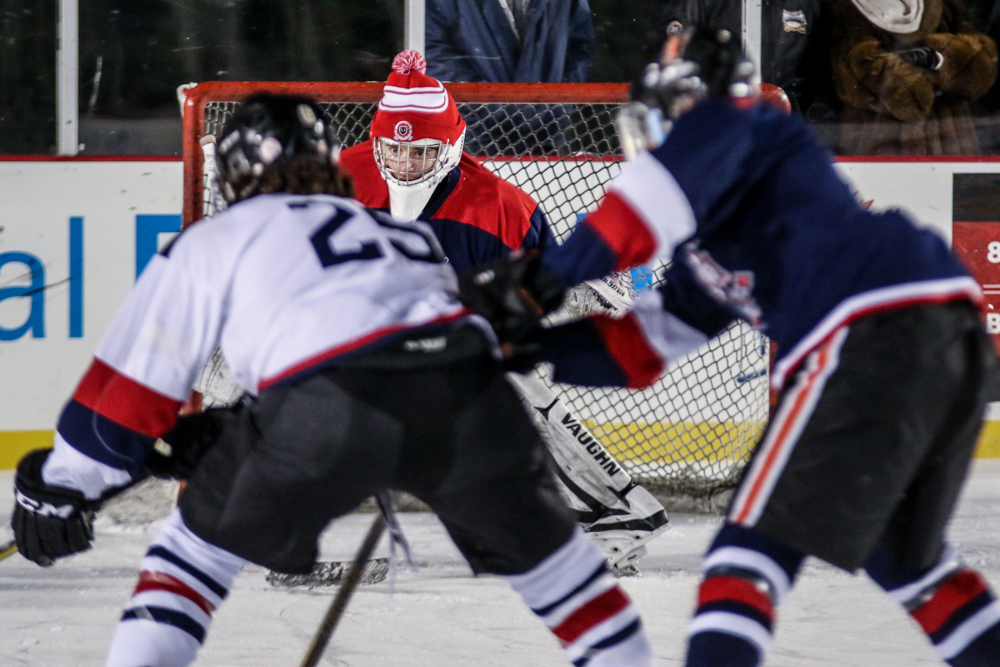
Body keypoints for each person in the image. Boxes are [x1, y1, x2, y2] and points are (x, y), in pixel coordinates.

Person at [9, 93, 654, 667]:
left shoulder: (215, 240)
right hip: (472, 404)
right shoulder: (398, 235)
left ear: (233, 176)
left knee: (189, 558)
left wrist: (61, 488)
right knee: (570, 586)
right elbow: (420, 341)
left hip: (328, 412)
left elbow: (124, 398)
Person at [461, 29, 1000, 667]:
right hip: (944, 340)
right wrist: (532, 349)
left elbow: (644, 205)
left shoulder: (749, 130)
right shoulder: (714, 241)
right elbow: (643, 347)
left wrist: (540, 283)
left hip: (869, 328)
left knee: (743, 558)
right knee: (905, 557)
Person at [339, 49, 669, 572]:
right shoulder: (339, 181)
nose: (403, 166)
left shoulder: (502, 211)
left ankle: (616, 516)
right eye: (393, 152)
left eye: (421, 153)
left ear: (451, 148)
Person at [425, 0, 595, 84]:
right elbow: (431, 53)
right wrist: (484, 100)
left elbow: (580, 47)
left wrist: (556, 98)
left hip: (548, 131)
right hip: (471, 134)